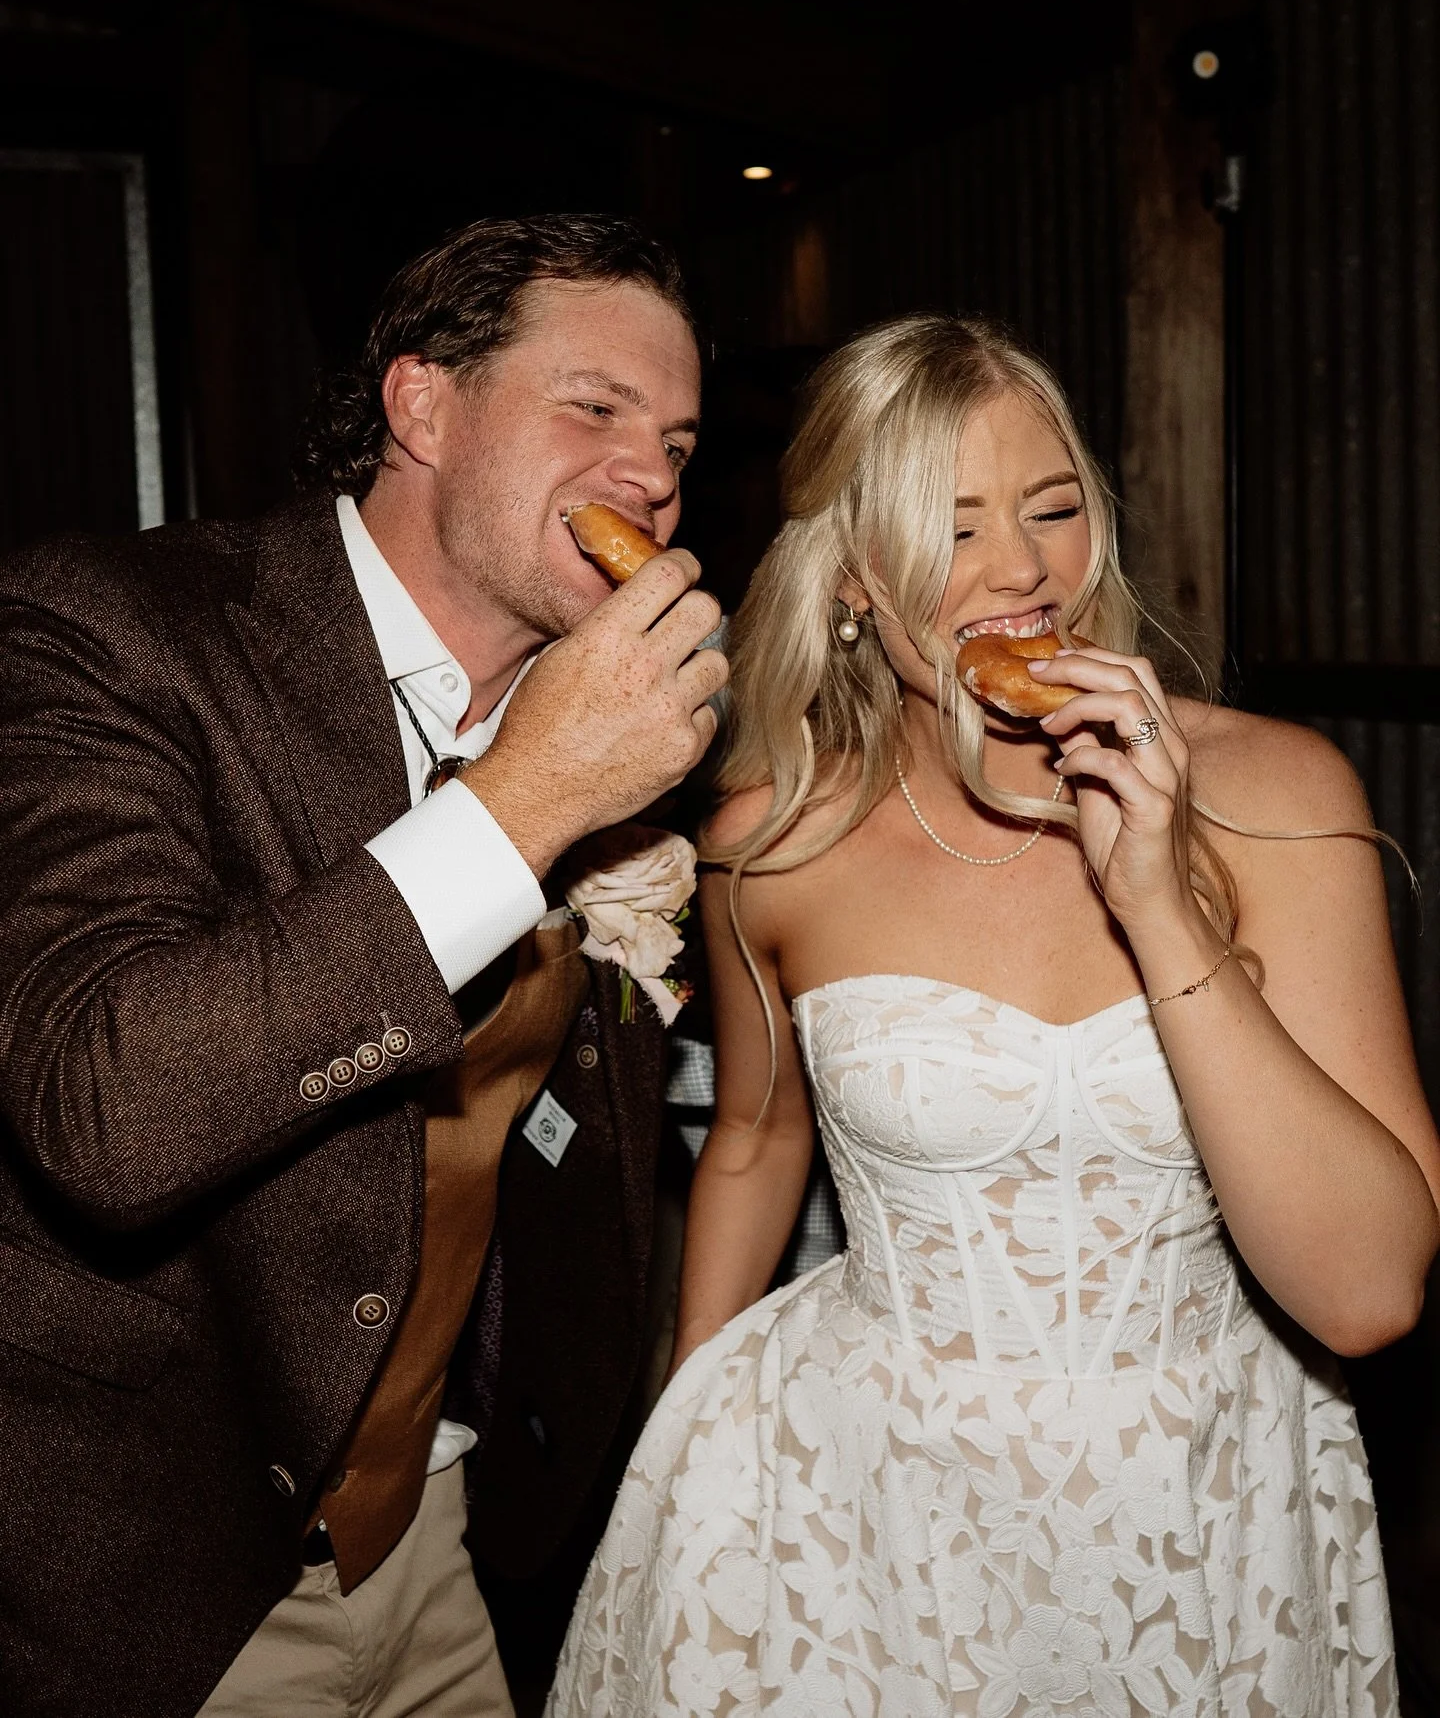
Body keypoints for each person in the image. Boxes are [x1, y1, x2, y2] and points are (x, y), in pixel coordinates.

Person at [546, 314, 1440, 1717]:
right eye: (950, 528)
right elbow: (756, 1139)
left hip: (1206, 1493)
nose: (1023, 569)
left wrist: (1156, 895)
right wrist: (684, 1448)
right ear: (850, 581)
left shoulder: (1280, 794)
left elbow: (1371, 1291)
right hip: (866, 1509)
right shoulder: (769, 842)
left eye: (1053, 507)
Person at [0, 213, 726, 1718]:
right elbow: (104, 1102)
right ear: (422, 406)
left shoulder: (623, 737)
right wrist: (525, 801)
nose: (650, 475)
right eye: (594, 407)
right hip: (166, 1582)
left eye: (676, 438)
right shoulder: (108, 626)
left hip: (445, 1542)